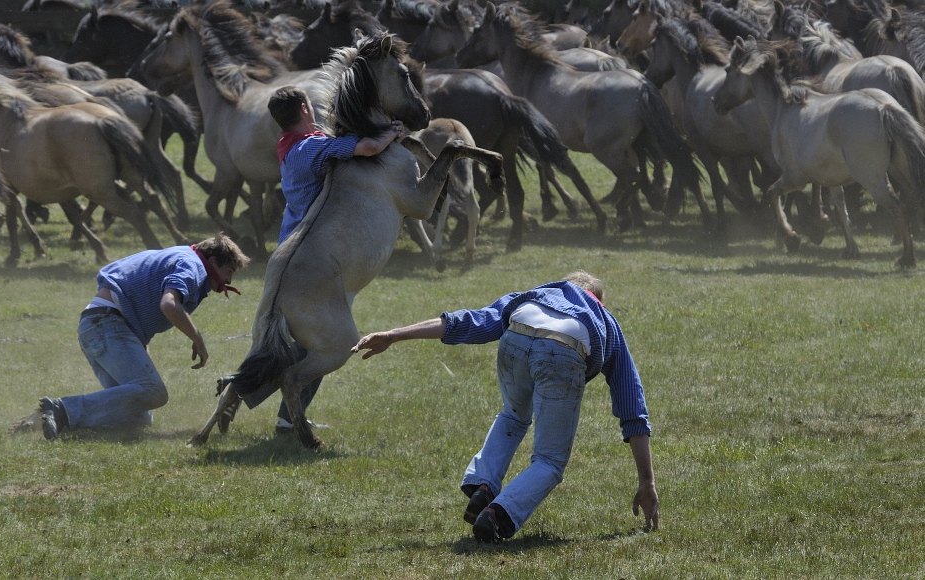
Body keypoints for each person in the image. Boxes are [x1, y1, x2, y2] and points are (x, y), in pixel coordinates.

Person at [351, 271, 659, 542]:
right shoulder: (605, 319)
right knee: (549, 460)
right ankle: (497, 514)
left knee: (512, 416)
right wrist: (646, 482)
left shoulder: (537, 294)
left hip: (518, 328)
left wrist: (394, 335)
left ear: (562, 286)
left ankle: (483, 485)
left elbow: (468, 321)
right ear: (599, 301)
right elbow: (632, 405)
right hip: (568, 343)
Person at [227, 85, 405, 434]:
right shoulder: (312, 147)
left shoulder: (291, 145)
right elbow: (368, 148)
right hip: (310, 257)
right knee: (326, 343)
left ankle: (242, 398)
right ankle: (279, 415)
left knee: (287, 341)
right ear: (305, 108)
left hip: (290, 247)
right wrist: (393, 131)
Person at [38, 234, 250, 441]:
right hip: (107, 325)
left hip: (99, 326)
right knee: (154, 392)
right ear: (212, 261)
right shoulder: (192, 265)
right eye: (228, 271)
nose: (229, 280)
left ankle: (41, 423)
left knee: (137, 417)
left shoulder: (182, 256)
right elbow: (169, 305)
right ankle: (62, 410)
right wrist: (198, 340)